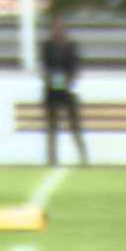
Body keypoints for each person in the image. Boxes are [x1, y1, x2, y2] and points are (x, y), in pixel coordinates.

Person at [42, 15, 89, 166]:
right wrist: (52, 80)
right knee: (51, 126)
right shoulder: (47, 46)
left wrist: (68, 81)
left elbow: (75, 67)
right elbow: (45, 67)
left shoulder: (71, 46)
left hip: (68, 90)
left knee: (75, 125)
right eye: (54, 28)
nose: (56, 31)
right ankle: (51, 159)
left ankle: (83, 158)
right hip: (51, 90)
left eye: (59, 28)